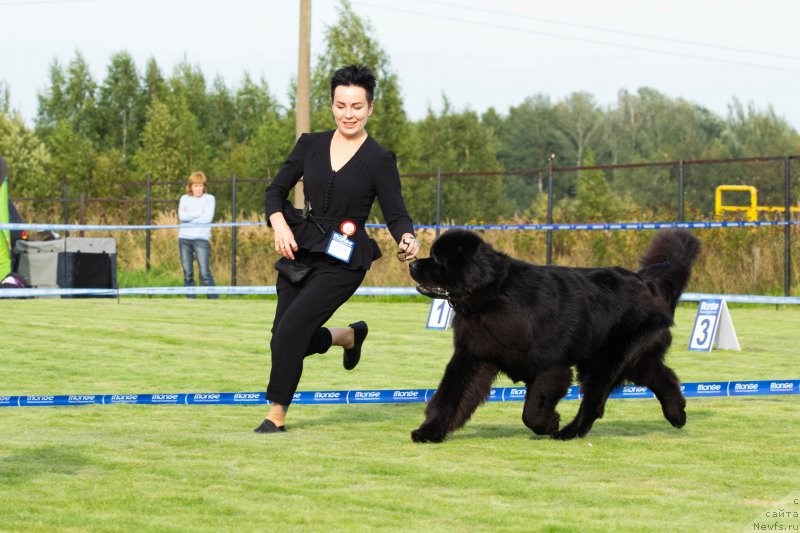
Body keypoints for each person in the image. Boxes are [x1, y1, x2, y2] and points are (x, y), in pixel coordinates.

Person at [254, 64, 420, 434]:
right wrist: (279, 223)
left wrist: (407, 238)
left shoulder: (379, 159)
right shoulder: (309, 144)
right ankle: (346, 336)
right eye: (341, 105)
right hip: (301, 250)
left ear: (370, 108)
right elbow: (274, 192)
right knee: (282, 337)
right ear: (331, 105)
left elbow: (396, 214)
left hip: (345, 260)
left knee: (291, 332)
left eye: (357, 107)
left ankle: (275, 415)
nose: (349, 114)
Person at [178, 171, 218, 299]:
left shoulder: (209, 199)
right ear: (190, 186)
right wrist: (199, 213)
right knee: (188, 272)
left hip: (202, 239)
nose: (198, 189)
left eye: (200, 185)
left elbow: (207, 219)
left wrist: (190, 215)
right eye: (195, 185)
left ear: (204, 187)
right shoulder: (184, 198)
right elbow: (182, 216)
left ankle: (213, 299)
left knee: (205, 272)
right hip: (184, 239)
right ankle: (190, 299)